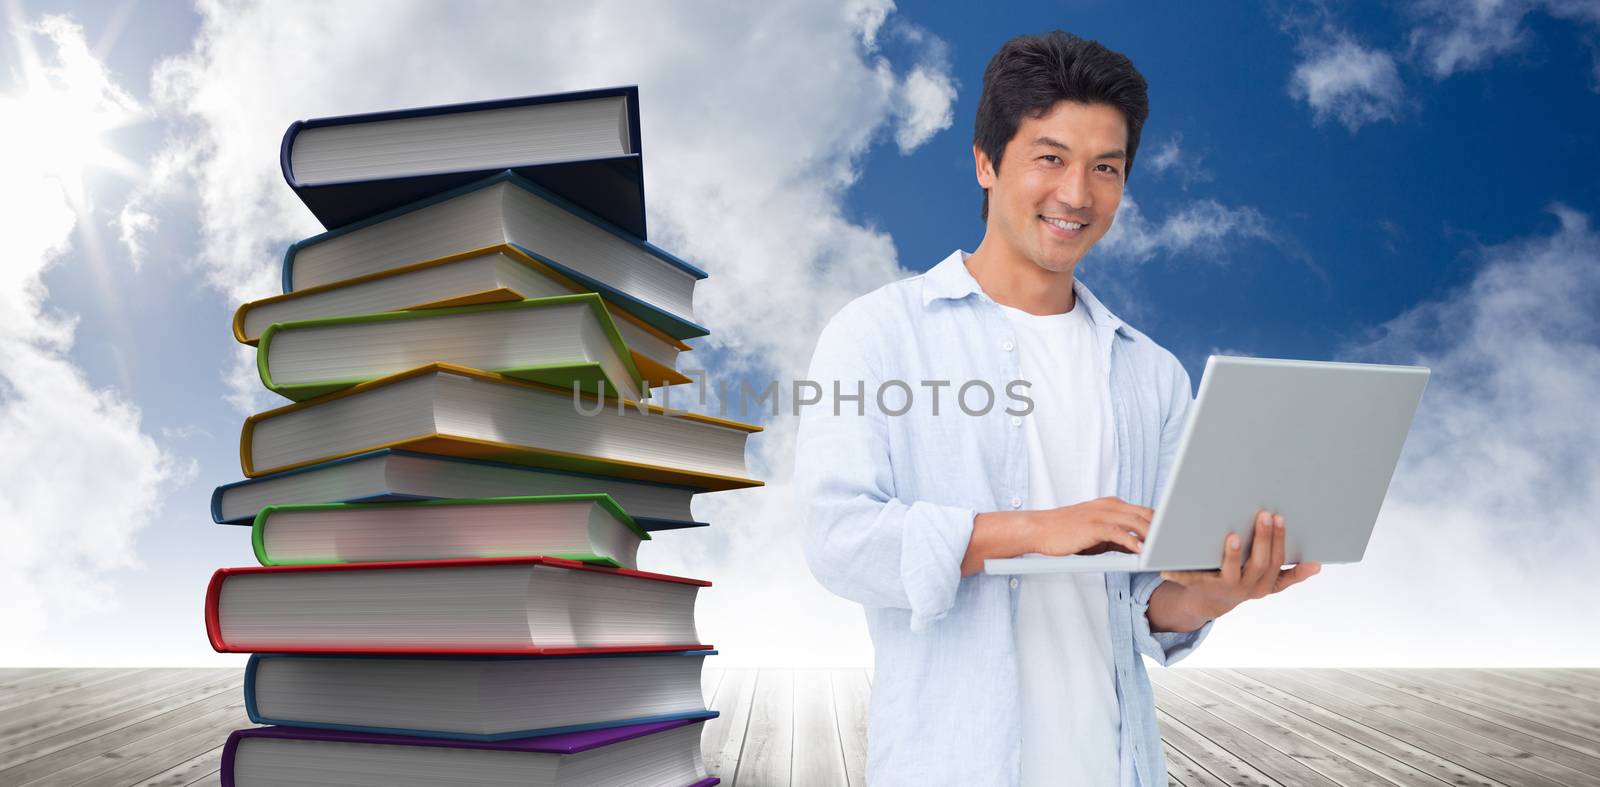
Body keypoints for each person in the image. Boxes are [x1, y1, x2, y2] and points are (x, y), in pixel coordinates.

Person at [794, 31, 1320, 786]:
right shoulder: (877, 335)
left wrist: (1215, 592)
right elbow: (839, 538)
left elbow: (1145, 601)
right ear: (985, 161)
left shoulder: (1152, 373)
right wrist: (1040, 529)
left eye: (1105, 168)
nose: (1078, 194)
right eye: (1050, 158)